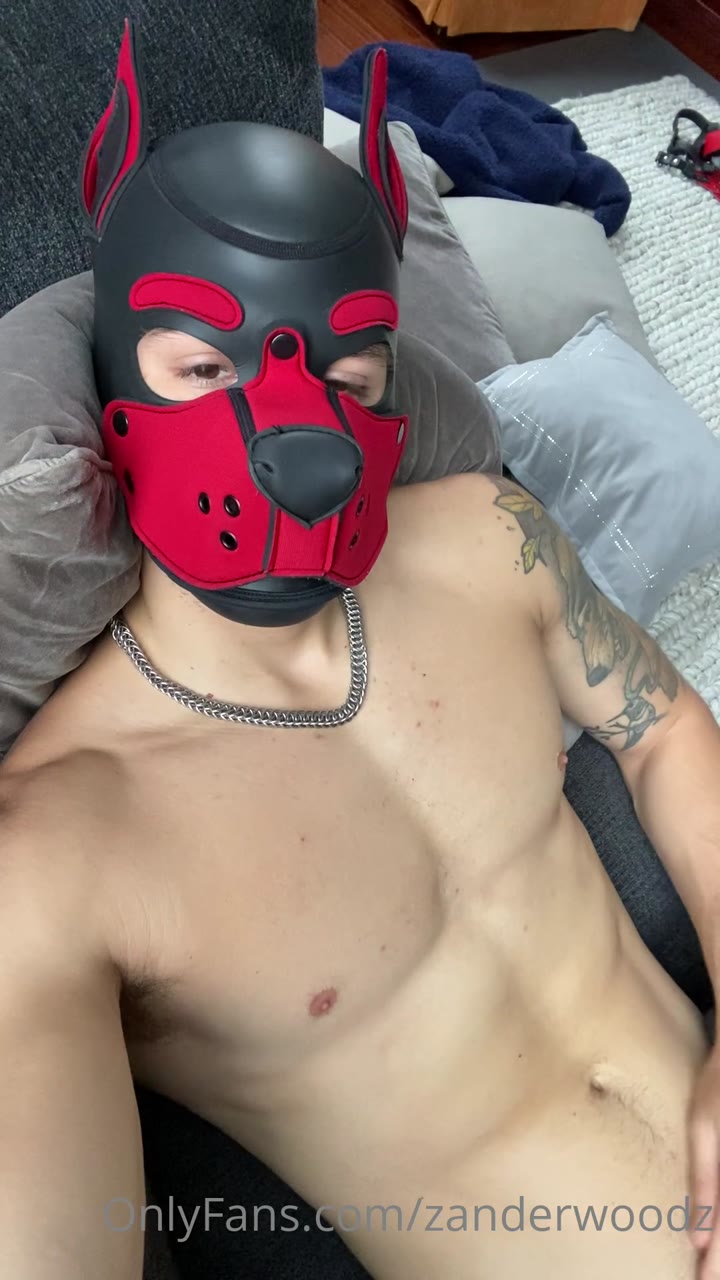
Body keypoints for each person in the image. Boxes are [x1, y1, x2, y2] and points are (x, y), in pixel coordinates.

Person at [4, 18, 720, 1280]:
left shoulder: (487, 536)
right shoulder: (61, 844)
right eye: (204, 366)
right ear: (111, 381)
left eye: (349, 374)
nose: (301, 441)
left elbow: (662, 726)